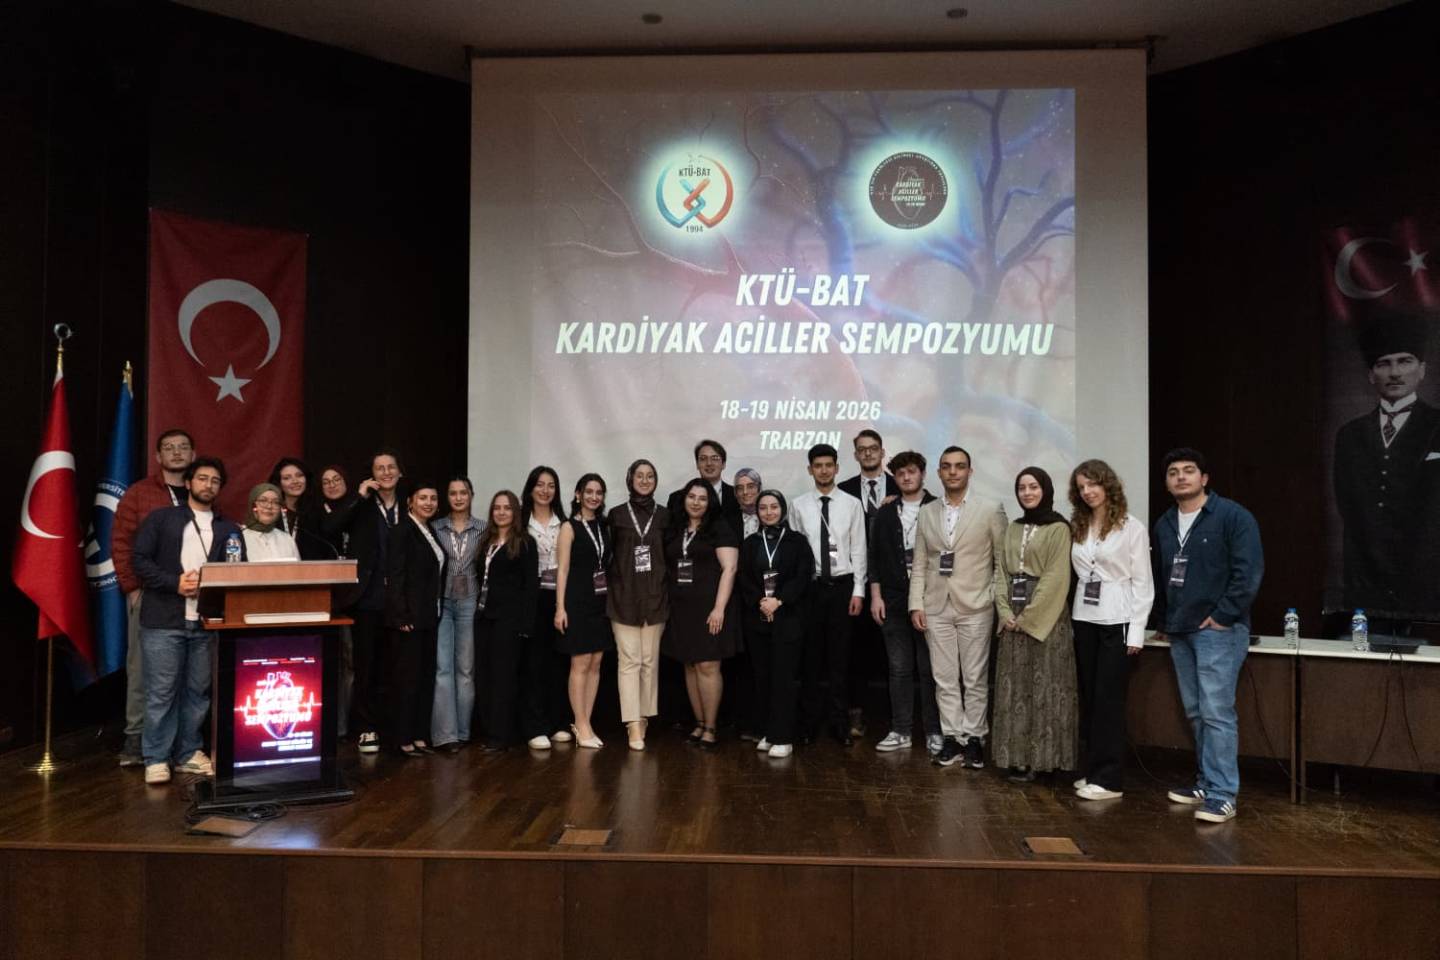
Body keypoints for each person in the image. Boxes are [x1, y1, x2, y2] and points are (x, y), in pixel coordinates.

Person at [1150, 447, 1264, 823]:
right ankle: (1205, 782)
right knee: (1197, 712)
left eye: (1188, 470)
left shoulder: (1233, 516)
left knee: (1216, 713)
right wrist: (1165, 621)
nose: (1180, 477)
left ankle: (1222, 793)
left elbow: (1248, 572)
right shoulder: (1165, 523)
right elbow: (1163, 577)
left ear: (1204, 478)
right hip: (1180, 629)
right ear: (1167, 483)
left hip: (1218, 631)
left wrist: (1223, 615)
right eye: (1173, 472)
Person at [130, 456, 244, 784]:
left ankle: (188, 753)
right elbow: (139, 560)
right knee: (161, 692)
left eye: (215, 481)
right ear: (189, 482)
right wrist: (174, 583)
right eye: (203, 478)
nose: (209, 485)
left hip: (206, 622)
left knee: (198, 691)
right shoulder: (162, 519)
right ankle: (156, 757)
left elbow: (237, 570)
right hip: (164, 620)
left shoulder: (229, 529)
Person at [1333, 309, 1439, 619]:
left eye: (1404, 361)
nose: (1395, 373)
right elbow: (1348, 504)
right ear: (1371, 375)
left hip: (1428, 579)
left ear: (1422, 370)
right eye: (1384, 363)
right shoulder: (1350, 435)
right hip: (1367, 579)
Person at [908, 446, 1007, 769]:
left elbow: (1001, 561)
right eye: (947, 466)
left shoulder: (990, 509)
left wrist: (992, 596)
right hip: (935, 606)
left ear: (970, 471)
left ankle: (975, 738)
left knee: (975, 678)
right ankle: (952, 737)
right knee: (944, 678)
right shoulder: (927, 512)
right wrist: (916, 604)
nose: (953, 472)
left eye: (960, 466)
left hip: (976, 605)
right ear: (939, 472)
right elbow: (920, 563)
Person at [1069, 459, 1154, 801]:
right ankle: (1093, 770)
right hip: (1084, 618)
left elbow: (1143, 583)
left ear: (1108, 485)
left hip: (1117, 620)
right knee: (1090, 697)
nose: (1087, 492)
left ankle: (1110, 780)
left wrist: (1136, 633)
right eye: (1081, 487)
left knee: (1109, 700)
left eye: (1093, 484)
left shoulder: (1132, 527)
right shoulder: (1079, 525)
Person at [112, 427, 196, 767]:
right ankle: (136, 737)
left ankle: (181, 744)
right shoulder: (139, 493)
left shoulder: (200, 491)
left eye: (183, 447)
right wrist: (132, 587)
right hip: (150, 594)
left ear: (192, 455)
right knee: (142, 669)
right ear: (158, 456)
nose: (176, 452)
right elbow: (121, 541)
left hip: (191, 597)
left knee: (189, 672)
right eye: (169, 447)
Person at [991, 467, 1078, 783]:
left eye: (1033, 487)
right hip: (1011, 616)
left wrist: (1027, 619)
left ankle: (1044, 761)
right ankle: (1015, 758)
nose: (1027, 493)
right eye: (1022, 488)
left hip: (1046, 617)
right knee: (1014, 688)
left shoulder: (1059, 528)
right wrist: (1004, 612)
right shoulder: (1013, 527)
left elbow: (1056, 578)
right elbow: (1001, 572)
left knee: (1045, 686)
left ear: (1046, 490)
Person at [323, 449, 405, 753]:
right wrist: (358, 497)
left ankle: (390, 728)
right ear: (372, 475)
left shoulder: (409, 505)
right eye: (379, 468)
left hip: (399, 599)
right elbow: (331, 528)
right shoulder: (362, 505)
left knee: (394, 666)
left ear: (399, 473)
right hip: (367, 597)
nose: (386, 472)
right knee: (365, 666)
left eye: (391, 467)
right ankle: (366, 728)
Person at [789, 443, 867, 746]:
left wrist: (858, 591)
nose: (823, 471)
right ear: (810, 470)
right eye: (818, 466)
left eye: (828, 465)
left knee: (839, 660)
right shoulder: (799, 505)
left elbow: (859, 549)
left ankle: (839, 723)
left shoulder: (852, 504)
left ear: (837, 468)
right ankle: (808, 724)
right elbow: (796, 554)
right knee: (810, 660)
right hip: (811, 589)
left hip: (842, 588)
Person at [868, 450, 941, 756]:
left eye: (912, 471)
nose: (907, 477)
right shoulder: (885, 512)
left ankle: (935, 731)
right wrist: (876, 596)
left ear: (922, 473)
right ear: (894, 478)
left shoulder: (937, 507)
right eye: (900, 474)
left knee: (930, 670)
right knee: (899, 669)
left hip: (930, 600)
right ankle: (901, 731)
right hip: (893, 600)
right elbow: (874, 557)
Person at [662, 478, 740, 749]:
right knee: (690, 664)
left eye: (702, 498)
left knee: (708, 665)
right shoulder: (676, 528)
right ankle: (698, 723)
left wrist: (719, 608)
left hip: (710, 608)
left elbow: (730, 569)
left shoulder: (719, 528)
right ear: (684, 499)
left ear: (710, 503)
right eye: (692, 497)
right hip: (681, 610)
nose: (696, 502)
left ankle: (711, 727)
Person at [737, 491, 813, 758]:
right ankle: (768, 732)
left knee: (783, 678)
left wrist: (778, 601)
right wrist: (761, 601)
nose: (769, 512)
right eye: (763, 508)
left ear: (782, 509)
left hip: (788, 617)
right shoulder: (750, 543)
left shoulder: (797, 541)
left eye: (774, 507)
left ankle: (784, 737)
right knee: (763, 678)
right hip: (758, 618)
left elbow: (803, 576)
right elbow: (744, 578)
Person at [838, 429, 901, 738]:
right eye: (862, 449)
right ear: (855, 455)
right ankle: (856, 713)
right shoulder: (843, 490)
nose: (868, 453)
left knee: (895, 654)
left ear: (882, 451)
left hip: (894, 584)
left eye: (873, 448)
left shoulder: (902, 486)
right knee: (856, 652)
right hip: (856, 583)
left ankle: (896, 718)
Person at [607, 459, 670, 751]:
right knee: (629, 661)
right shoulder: (616, 515)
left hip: (656, 596)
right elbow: (608, 557)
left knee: (649, 661)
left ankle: (644, 715)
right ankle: (632, 723)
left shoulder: (665, 516)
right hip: (624, 597)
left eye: (650, 476)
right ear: (630, 479)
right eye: (639, 476)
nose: (645, 481)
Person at [474, 490, 541, 751]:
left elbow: (531, 586)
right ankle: (488, 730)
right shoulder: (486, 541)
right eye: (497, 508)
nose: (501, 512)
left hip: (509, 621)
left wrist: (526, 625)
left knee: (504, 678)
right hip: (484, 617)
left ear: (516, 512)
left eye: (507, 508)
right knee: (484, 675)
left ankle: (501, 736)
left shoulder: (525, 542)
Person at [385, 480, 446, 757]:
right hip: (408, 619)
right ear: (410, 501)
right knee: (407, 681)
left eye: (433, 498)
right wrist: (401, 614)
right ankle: (403, 738)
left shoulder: (429, 529)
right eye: (423, 498)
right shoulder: (402, 531)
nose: (429, 503)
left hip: (429, 616)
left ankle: (420, 735)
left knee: (424, 678)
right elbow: (395, 575)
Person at [553, 474, 613, 748]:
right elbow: (562, 570)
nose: (594, 497)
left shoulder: (603, 525)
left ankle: (585, 722)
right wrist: (560, 607)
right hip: (576, 601)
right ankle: (580, 722)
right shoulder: (569, 527)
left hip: (600, 601)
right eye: (588, 491)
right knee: (580, 662)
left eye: (599, 492)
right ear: (578, 495)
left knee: (596, 662)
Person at [522, 465, 572, 744]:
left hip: (560, 598)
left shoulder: (564, 522)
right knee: (533, 664)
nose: (545, 490)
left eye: (551, 485)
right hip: (533, 599)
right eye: (540, 484)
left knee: (559, 662)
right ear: (531, 488)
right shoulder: (521, 521)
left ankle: (558, 723)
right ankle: (535, 727)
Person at [431, 477, 481, 752]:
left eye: (464, 493)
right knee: (443, 668)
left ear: (471, 495)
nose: (459, 498)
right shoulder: (435, 527)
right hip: (443, 601)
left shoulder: (483, 529)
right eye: (453, 493)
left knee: (466, 670)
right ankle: (445, 735)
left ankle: (463, 732)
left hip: (470, 602)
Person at [666, 439, 743, 538]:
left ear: (723, 464)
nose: (709, 463)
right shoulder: (676, 498)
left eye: (715, 458)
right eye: (703, 459)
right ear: (697, 464)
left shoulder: (738, 496)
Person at [268, 456, 331, 559]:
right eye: (287, 478)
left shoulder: (317, 510)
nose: (295, 481)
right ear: (279, 483)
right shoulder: (271, 512)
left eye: (299, 475)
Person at [241, 483, 301, 561]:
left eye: (276, 502)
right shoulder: (239, 537)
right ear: (252, 504)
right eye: (263, 500)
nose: (269, 506)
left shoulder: (287, 539)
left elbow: (297, 568)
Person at [318, 465, 356, 557]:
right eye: (326, 482)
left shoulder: (357, 506)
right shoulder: (316, 511)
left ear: (345, 481)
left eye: (337, 480)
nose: (332, 485)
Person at [734, 468, 763, 539]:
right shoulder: (728, 520)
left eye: (750, 487)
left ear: (759, 488)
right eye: (740, 488)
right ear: (736, 492)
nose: (745, 492)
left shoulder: (768, 517)